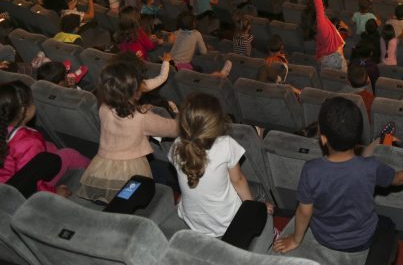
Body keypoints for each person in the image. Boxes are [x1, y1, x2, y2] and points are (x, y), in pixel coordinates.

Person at [273, 97, 403, 257]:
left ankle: (379, 140)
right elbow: (399, 179)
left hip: (324, 237)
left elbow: (304, 212)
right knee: (388, 224)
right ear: (357, 137)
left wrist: (296, 240)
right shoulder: (370, 167)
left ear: (323, 139)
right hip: (363, 240)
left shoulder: (311, 170)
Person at [170, 93, 273, 250]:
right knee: (259, 192)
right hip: (225, 221)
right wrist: (253, 208)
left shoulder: (176, 145)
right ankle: (270, 230)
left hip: (192, 220)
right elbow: (238, 181)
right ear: (217, 122)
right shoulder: (225, 144)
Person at [78, 59, 179, 202]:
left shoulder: (103, 108)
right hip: (131, 172)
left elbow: (122, 115)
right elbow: (173, 129)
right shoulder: (142, 118)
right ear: (137, 91)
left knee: (109, 200)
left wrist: (141, 110)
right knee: (128, 201)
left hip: (102, 167)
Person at [0, 81, 90, 196]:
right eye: (32, 101)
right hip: (18, 191)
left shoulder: (8, 130)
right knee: (69, 154)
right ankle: (98, 174)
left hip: (5, 181)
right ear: (24, 110)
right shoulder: (30, 143)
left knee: (49, 146)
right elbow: (32, 181)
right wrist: (55, 192)